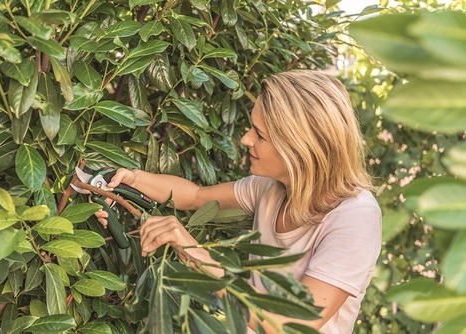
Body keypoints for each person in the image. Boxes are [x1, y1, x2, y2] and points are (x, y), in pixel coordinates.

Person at [95, 70, 382, 333]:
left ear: (299, 148)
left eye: (260, 134)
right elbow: (194, 197)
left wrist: (198, 256)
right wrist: (129, 179)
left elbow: (293, 325)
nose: (246, 139)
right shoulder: (270, 190)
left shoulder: (355, 218)